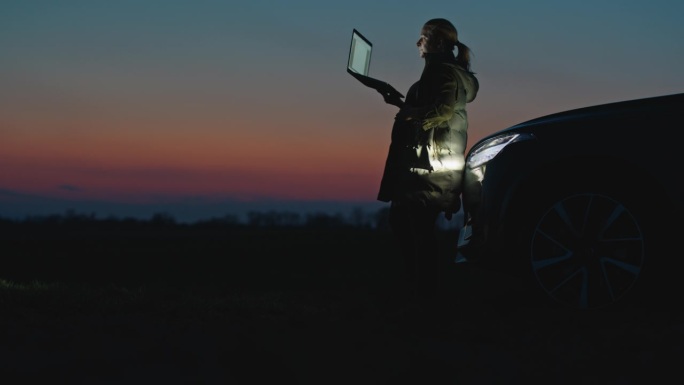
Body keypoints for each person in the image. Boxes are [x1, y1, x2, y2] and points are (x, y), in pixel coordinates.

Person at [376, 18, 479, 303]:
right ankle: (419, 290)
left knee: (416, 229)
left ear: (440, 43)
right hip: (430, 166)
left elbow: (441, 111)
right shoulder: (446, 72)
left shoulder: (441, 72)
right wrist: (401, 104)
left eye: (423, 37)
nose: (418, 42)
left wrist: (408, 113)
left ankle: (424, 295)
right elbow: (434, 109)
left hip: (430, 168)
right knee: (407, 224)